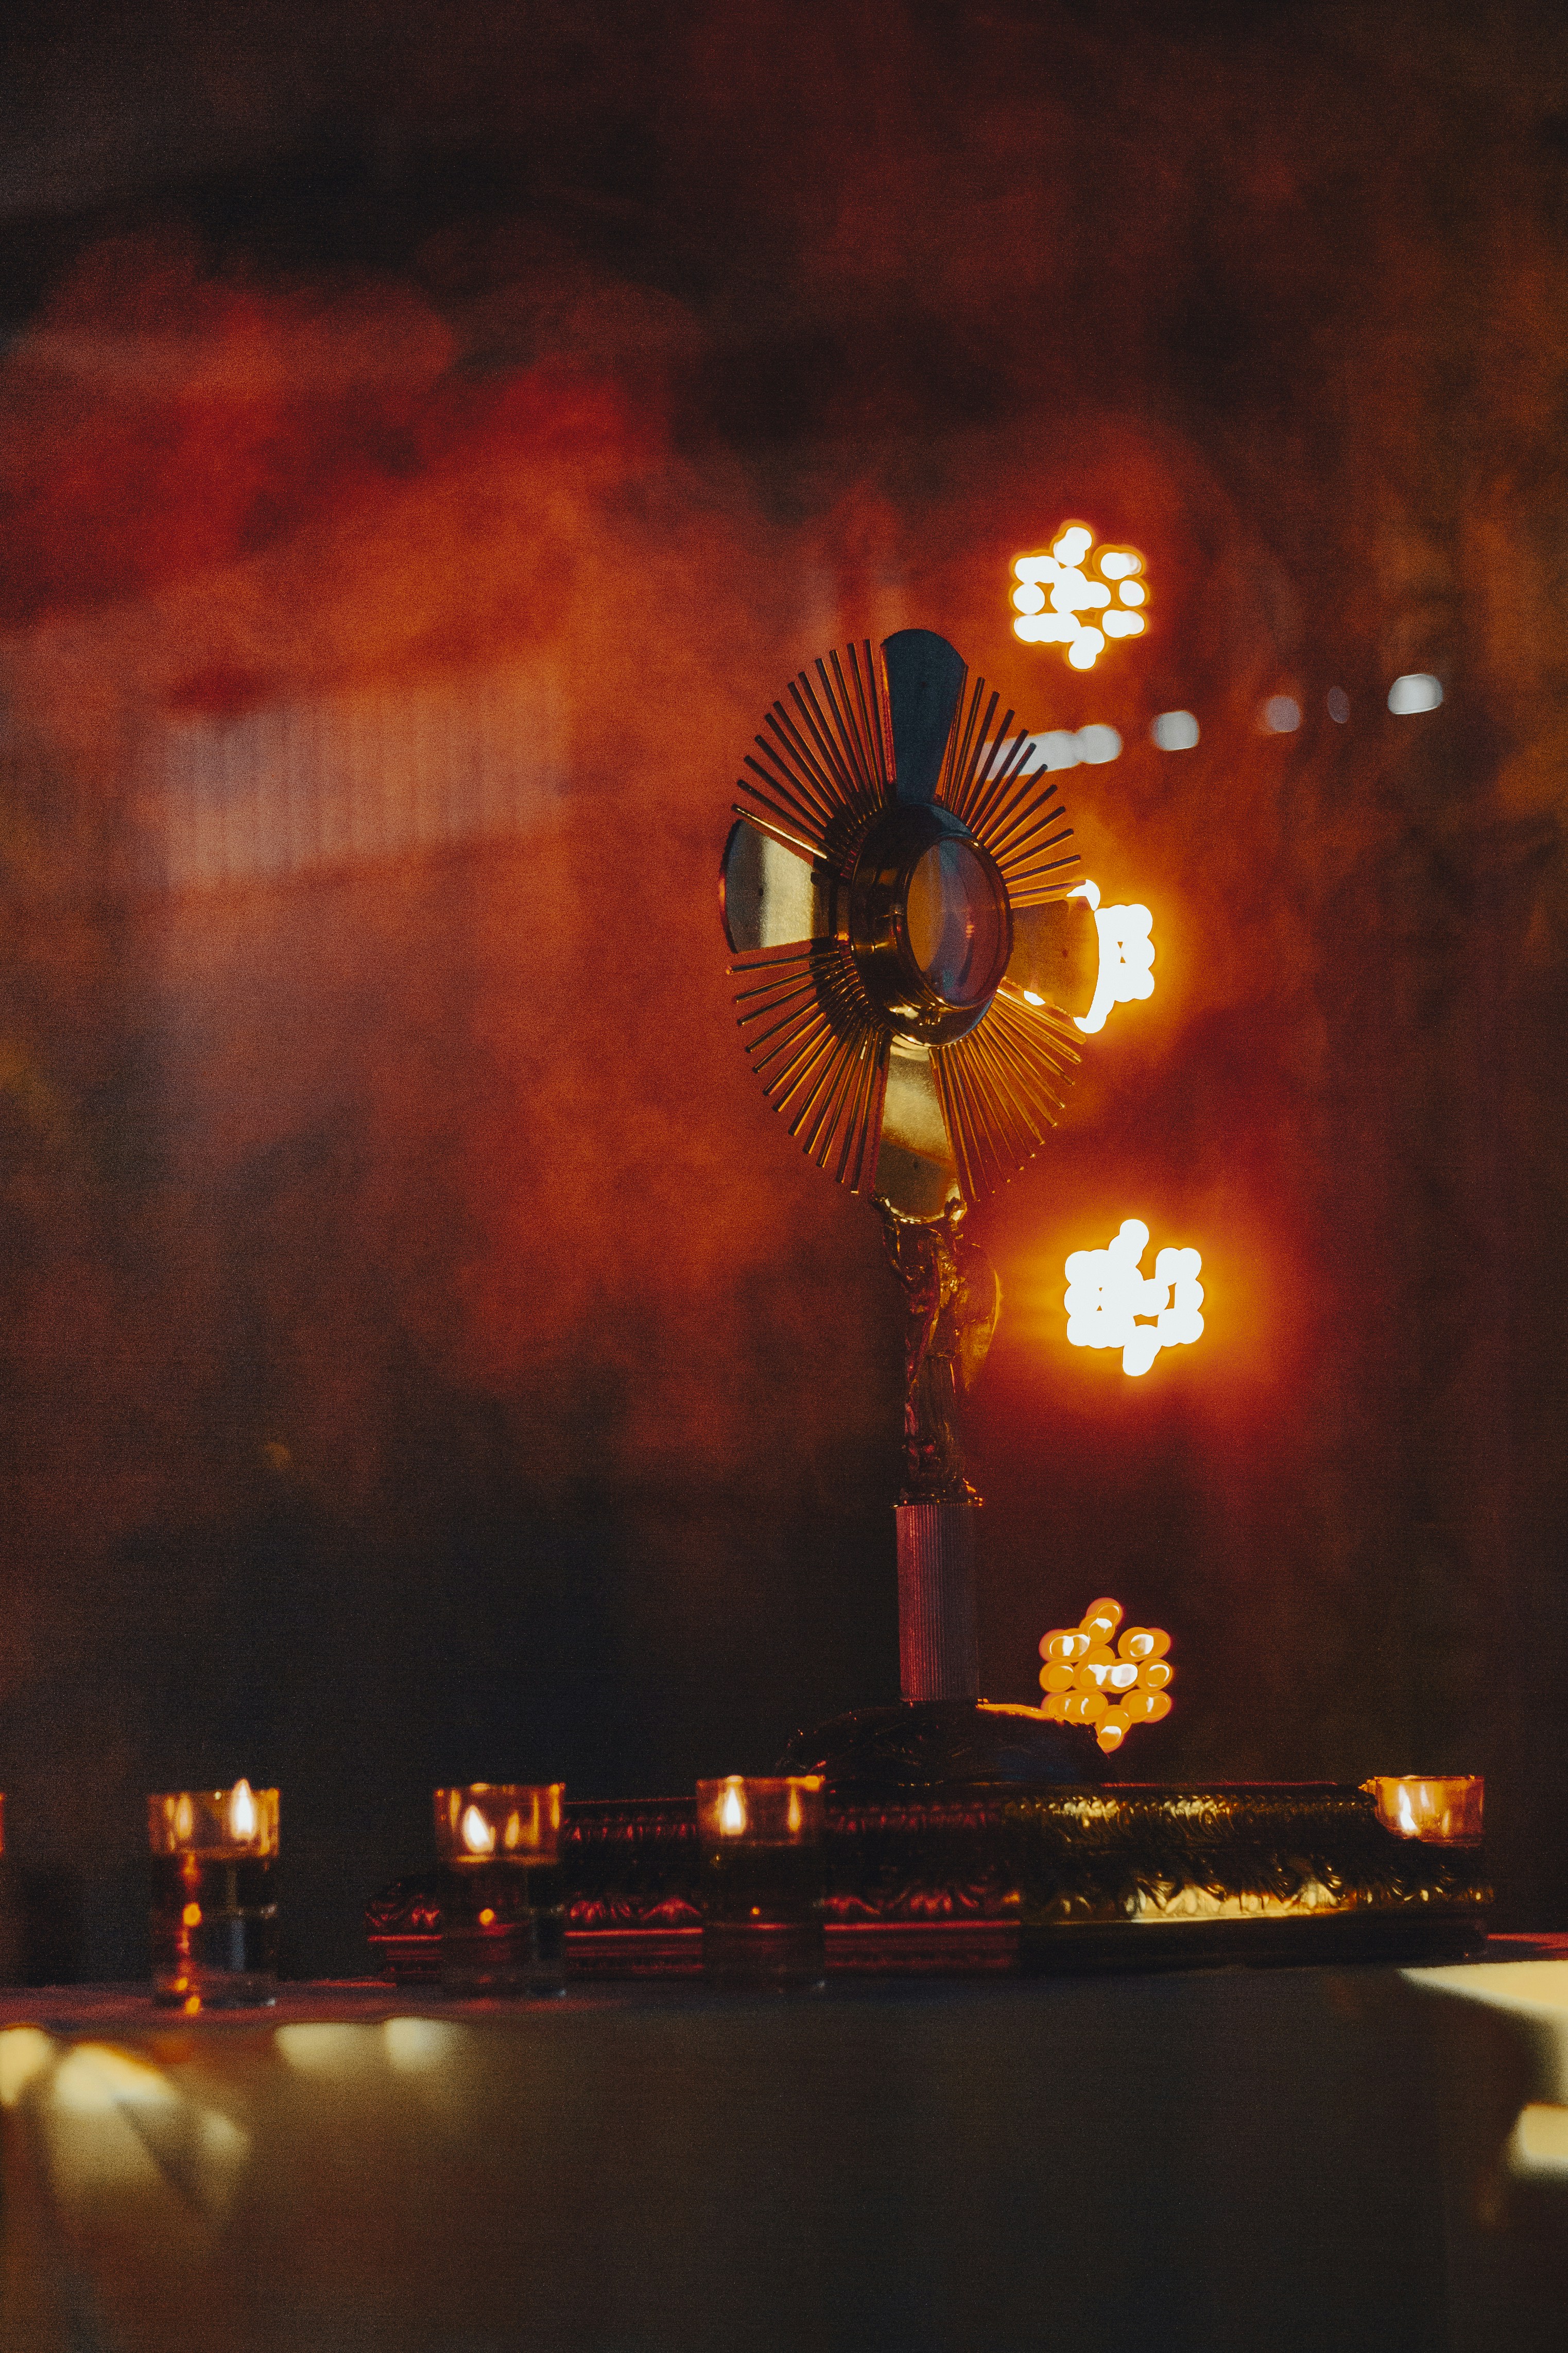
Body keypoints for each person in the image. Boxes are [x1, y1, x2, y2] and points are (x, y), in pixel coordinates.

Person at [877, 1193, 1001, 1503]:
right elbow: (894, 1261)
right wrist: (889, 1222)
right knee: (924, 1416)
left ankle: (947, 1466)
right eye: (936, 1257)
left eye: (943, 1258)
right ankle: (928, 1465)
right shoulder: (919, 1281)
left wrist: (952, 1225)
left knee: (946, 1415)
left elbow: (962, 1264)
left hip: (944, 1358)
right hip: (923, 1357)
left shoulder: (952, 1287)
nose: (943, 1264)